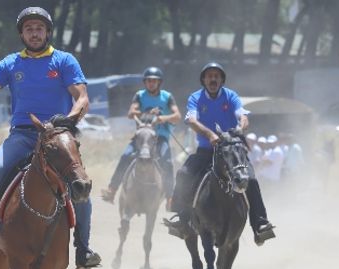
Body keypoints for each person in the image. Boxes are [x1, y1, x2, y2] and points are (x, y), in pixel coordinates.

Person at [0, 7, 101, 269]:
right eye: (29, 29)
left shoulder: (64, 61)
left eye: (39, 28)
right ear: (22, 33)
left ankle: (83, 249)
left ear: (48, 32)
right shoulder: (11, 63)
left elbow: (82, 98)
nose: (34, 33)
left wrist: (69, 120)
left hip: (56, 136)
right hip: (23, 134)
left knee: (80, 184)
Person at [164, 62, 275, 245]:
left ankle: (260, 224)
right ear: (204, 80)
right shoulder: (195, 98)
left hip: (231, 150)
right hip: (207, 150)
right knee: (184, 173)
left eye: (217, 76)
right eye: (209, 76)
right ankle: (182, 220)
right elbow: (191, 120)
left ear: (222, 80)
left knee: (252, 180)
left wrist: (241, 126)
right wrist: (210, 134)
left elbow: (242, 115)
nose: (213, 79)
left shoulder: (231, 96)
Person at [100, 66, 182, 207]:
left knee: (167, 162)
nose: (151, 83)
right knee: (126, 156)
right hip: (141, 137)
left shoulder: (167, 97)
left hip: (160, 138)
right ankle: (112, 190)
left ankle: (170, 198)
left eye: (154, 81)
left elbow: (177, 116)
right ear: (145, 82)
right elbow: (131, 112)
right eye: (149, 81)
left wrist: (162, 118)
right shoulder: (140, 95)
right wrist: (147, 113)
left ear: (159, 83)